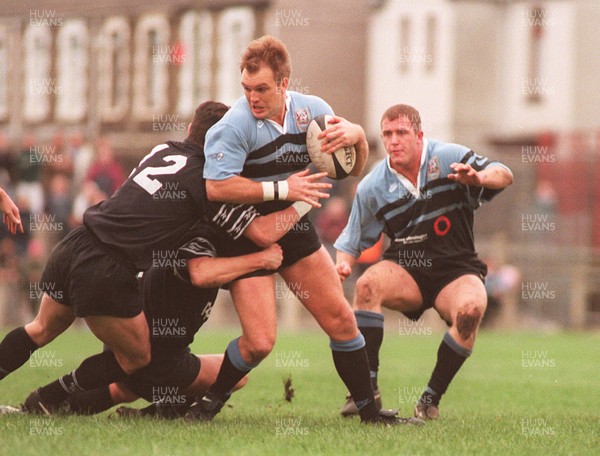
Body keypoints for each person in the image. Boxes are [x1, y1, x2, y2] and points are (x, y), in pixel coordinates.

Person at [0, 101, 322, 413]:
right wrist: (297, 195)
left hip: (77, 242)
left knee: (40, 328)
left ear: (191, 128)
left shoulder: (164, 149)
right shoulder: (208, 183)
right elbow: (262, 234)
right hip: (107, 267)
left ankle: (47, 399)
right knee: (136, 359)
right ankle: (46, 398)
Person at [196, 35, 419, 426]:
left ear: (285, 83)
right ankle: (207, 405)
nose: (253, 97)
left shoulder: (314, 113)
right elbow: (216, 187)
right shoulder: (234, 126)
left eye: (262, 88)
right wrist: (281, 189)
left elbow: (349, 167)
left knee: (341, 319)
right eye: (247, 89)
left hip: (292, 222)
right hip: (244, 231)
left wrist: (357, 139)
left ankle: (370, 413)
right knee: (260, 343)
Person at [334, 104, 513, 420]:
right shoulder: (373, 185)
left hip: (456, 270)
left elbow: (505, 173)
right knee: (366, 285)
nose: (393, 141)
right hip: (406, 269)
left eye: (401, 133)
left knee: (472, 309)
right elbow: (350, 240)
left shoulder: (447, 157)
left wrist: (478, 177)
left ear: (419, 135)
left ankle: (429, 399)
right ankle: (366, 393)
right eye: (387, 134)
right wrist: (343, 264)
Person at [17, 219, 284, 417]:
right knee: (236, 376)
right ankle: (159, 412)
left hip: (124, 348)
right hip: (161, 366)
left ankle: (53, 404)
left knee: (124, 388)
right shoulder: (199, 246)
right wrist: (261, 259)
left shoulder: (175, 235)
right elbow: (201, 273)